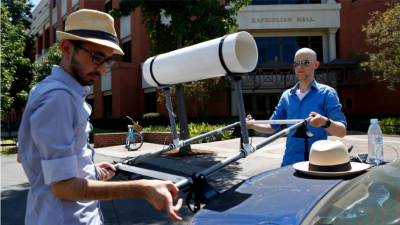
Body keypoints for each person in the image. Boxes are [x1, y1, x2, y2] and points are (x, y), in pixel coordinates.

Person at [17, 9, 182, 224]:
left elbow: (31, 155)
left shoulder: (46, 90)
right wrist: (142, 188)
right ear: (66, 48)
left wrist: (88, 170)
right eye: (96, 57)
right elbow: (62, 187)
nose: (103, 69)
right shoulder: (59, 98)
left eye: (107, 60)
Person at [247, 48, 347, 166]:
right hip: (289, 163)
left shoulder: (327, 93)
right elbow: (272, 126)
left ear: (316, 65)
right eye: (296, 63)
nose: (300, 67)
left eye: (305, 63)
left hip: (315, 164)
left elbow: (342, 131)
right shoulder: (286, 96)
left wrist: (324, 122)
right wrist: (253, 125)